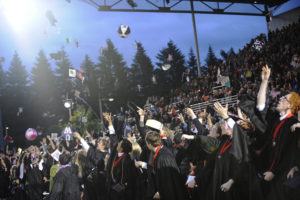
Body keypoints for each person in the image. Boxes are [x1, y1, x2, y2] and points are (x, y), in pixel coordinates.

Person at [255, 65, 300, 200]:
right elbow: (260, 106)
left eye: (284, 98)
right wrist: (264, 81)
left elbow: (290, 153)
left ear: (291, 105)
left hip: (282, 176)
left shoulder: (293, 125)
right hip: (267, 171)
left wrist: (275, 171)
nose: (280, 98)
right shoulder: (275, 118)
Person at [135, 131, 187, 200]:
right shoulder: (158, 151)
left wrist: (159, 192)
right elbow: (155, 166)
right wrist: (143, 164)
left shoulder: (163, 157)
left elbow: (167, 178)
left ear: (150, 144)